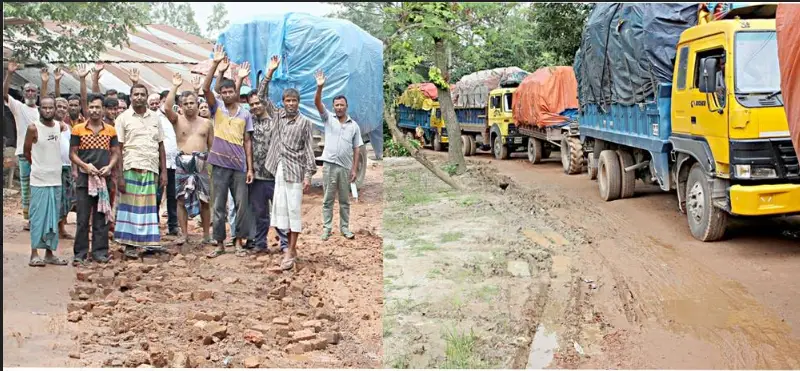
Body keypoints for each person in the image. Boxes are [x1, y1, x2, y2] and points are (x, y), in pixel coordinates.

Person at [262, 55, 317, 271]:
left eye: (294, 101)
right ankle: (287, 249)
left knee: (294, 212)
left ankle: (292, 249)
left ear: (298, 103)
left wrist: (308, 175)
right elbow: (261, 96)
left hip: (296, 172)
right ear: (283, 102)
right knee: (280, 212)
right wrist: (270, 72)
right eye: (287, 101)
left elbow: (309, 150)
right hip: (280, 170)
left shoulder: (305, 122)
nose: (291, 104)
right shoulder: (277, 116)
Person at [202, 45, 255, 258]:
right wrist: (215, 65)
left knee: (241, 205)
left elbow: (247, 141)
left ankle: (239, 242)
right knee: (218, 205)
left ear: (236, 92)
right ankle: (220, 243)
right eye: (223, 92)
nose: (226, 94)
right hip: (218, 165)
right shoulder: (217, 110)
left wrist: (250, 168)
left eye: (230, 91)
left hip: (240, 166)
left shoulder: (245, 114)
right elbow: (206, 89)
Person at [114, 83, 168, 259]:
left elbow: (161, 146)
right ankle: (129, 244)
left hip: (151, 168)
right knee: (130, 207)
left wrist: (164, 172)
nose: (139, 97)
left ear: (146, 97)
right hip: (130, 167)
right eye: (135, 94)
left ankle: (149, 242)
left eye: (142, 94)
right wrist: (119, 176)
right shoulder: (122, 118)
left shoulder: (155, 118)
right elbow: (118, 148)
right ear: (130, 97)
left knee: (149, 207)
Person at [163, 73, 215, 245]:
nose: (189, 106)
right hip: (182, 162)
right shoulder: (177, 120)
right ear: (181, 106)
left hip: (201, 163)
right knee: (180, 199)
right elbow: (167, 108)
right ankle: (184, 234)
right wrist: (175, 86)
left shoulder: (206, 123)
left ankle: (207, 234)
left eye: (192, 103)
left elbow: (211, 146)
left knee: (204, 199)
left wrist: (210, 167)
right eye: (185, 104)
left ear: (198, 103)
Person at [70, 94, 120, 265]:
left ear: (103, 109)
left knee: (101, 218)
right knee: (82, 219)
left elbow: (115, 153)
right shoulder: (78, 129)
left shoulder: (111, 130)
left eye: (98, 107)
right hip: (85, 180)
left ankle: (100, 252)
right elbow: (73, 154)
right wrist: (85, 166)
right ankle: (80, 254)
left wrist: (109, 166)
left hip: (103, 180)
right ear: (87, 109)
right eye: (91, 107)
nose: (94, 110)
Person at [313, 70, 363, 240]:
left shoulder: (354, 126)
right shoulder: (328, 119)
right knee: (327, 199)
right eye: (337, 105)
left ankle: (345, 228)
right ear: (333, 107)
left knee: (344, 201)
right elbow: (317, 103)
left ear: (346, 106)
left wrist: (354, 169)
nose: (339, 107)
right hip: (329, 166)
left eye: (342, 105)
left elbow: (356, 149)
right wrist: (320, 87)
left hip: (344, 167)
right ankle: (327, 228)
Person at [247, 56, 289, 253]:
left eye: (258, 103)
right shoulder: (250, 123)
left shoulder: (275, 117)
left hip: (274, 174)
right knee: (260, 212)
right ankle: (260, 243)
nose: (256, 106)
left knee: (280, 210)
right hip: (256, 176)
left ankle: (285, 244)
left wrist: (269, 73)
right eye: (252, 104)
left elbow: (263, 94)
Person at [23, 96, 70, 266]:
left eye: (51, 108)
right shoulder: (33, 128)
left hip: (55, 179)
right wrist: (38, 166)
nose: (48, 110)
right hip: (39, 180)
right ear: (40, 109)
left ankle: (49, 254)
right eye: (45, 107)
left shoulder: (59, 127)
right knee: (38, 217)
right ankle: (34, 254)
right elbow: (26, 151)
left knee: (53, 218)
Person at [4, 62, 41, 231]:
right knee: (26, 188)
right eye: (28, 91)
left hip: (41, 155)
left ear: (38, 94)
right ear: (23, 93)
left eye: (33, 91)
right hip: (23, 154)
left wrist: (46, 81)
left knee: (39, 187)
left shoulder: (43, 110)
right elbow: (4, 94)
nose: (31, 93)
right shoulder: (18, 107)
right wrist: (10, 73)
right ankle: (30, 219)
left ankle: (39, 217)